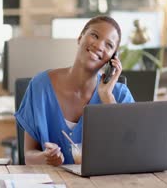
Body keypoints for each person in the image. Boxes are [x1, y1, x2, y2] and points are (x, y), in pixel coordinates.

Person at [15, 16, 135, 165]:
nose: (99, 46)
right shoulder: (40, 86)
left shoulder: (119, 95)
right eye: (95, 35)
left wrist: (107, 97)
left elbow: (129, 153)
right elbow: (29, 156)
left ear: (112, 59)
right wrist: (46, 158)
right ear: (80, 38)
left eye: (109, 45)